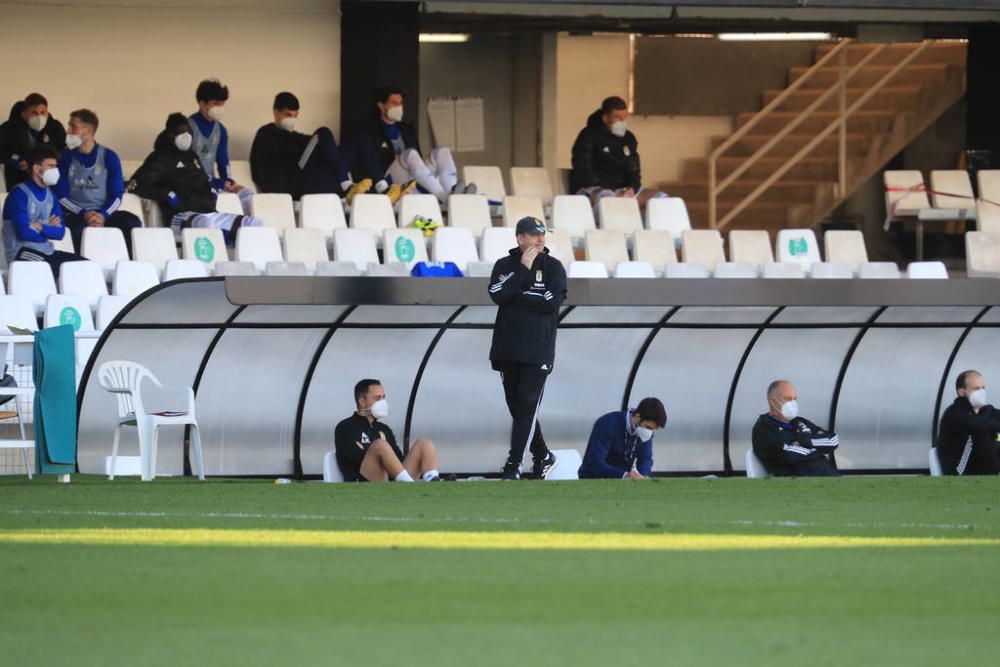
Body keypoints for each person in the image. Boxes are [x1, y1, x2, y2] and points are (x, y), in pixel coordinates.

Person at [488, 216, 567, 480]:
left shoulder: (554, 267)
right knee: (517, 407)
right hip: (507, 349)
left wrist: (518, 294)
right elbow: (498, 294)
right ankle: (543, 454)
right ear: (520, 238)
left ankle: (513, 465)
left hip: (537, 352)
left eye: (543, 235)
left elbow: (551, 302)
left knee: (526, 408)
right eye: (534, 235)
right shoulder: (505, 265)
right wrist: (523, 271)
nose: (540, 239)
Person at [128, 113, 263, 244]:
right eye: (180, 133)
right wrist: (167, 194)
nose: (186, 136)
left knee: (253, 224)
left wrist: (212, 192)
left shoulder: (192, 156)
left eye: (187, 132)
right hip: (181, 215)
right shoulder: (159, 158)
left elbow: (204, 178)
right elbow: (136, 185)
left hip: (209, 212)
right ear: (170, 135)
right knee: (205, 224)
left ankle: (236, 257)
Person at [346, 85, 474, 204]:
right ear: (381, 106)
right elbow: (370, 162)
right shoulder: (370, 130)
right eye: (394, 103)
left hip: (411, 178)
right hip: (388, 181)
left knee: (442, 152)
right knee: (410, 153)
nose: (399, 107)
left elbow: (418, 160)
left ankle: (452, 192)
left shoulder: (407, 130)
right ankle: (444, 197)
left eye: (400, 103)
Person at [249, 91, 368, 201]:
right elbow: (290, 150)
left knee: (360, 139)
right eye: (287, 115)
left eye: (294, 116)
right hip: (291, 185)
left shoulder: (293, 135)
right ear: (276, 112)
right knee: (323, 132)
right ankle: (346, 186)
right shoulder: (266, 133)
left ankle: (381, 187)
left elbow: (306, 142)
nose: (291, 119)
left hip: (307, 179)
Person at [55, 109, 141, 253]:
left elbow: (117, 194)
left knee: (132, 222)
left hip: (104, 212)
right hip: (76, 214)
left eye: (73, 127)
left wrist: (103, 215)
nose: (68, 131)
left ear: (87, 131)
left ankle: (128, 266)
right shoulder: (64, 157)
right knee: (75, 229)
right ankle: (81, 266)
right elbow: (60, 196)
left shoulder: (109, 157)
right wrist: (84, 214)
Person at [570, 96, 667, 211]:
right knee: (609, 199)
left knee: (661, 199)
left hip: (623, 190)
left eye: (624, 118)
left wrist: (631, 188)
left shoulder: (629, 138)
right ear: (605, 118)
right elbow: (583, 169)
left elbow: (634, 171)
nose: (622, 122)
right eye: (617, 118)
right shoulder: (588, 135)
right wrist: (610, 191)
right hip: (594, 190)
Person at [334, 378, 441, 482]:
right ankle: (410, 486)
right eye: (378, 398)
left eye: (383, 397)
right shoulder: (345, 427)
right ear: (362, 401)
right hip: (363, 482)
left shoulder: (384, 429)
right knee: (380, 445)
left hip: (392, 480)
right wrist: (379, 452)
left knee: (424, 443)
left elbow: (399, 461)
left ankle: (432, 481)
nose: (383, 402)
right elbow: (355, 460)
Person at [2, 144, 85, 276]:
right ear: (36, 169)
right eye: (51, 166)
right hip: (22, 253)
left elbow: (60, 233)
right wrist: (48, 229)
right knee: (59, 271)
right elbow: (24, 233)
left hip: (47, 251)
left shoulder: (51, 195)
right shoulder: (19, 194)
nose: (55, 170)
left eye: (56, 166)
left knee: (87, 266)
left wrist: (40, 226)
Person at [751, 380, 840, 477]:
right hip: (798, 485)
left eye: (794, 399)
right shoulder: (763, 428)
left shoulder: (799, 422)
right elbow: (788, 454)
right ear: (773, 402)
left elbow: (833, 440)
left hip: (831, 479)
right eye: (787, 399)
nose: (792, 403)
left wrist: (805, 441)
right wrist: (817, 448)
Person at [189, 79, 253, 209]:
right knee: (224, 202)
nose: (220, 108)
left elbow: (223, 161)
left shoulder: (221, 130)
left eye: (222, 104)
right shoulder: (187, 127)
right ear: (202, 103)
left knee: (248, 196)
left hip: (212, 183)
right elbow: (187, 166)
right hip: (192, 183)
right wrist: (217, 182)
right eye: (215, 103)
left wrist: (228, 181)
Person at [579, 398, 667, 480]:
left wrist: (643, 477)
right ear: (637, 416)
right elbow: (595, 463)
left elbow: (645, 459)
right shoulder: (607, 424)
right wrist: (625, 475)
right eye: (648, 427)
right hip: (592, 480)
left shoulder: (645, 433)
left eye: (653, 429)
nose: (649, 432)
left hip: (622, 482)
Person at [936, 370, 1000, 475]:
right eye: (976, 389)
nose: (981, 392)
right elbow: (981, 425)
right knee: (980, 433)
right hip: (959, 472)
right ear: (962, 392)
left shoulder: (985, 411)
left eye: (983, 388)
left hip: (980, 469)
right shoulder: (954, 413)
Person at [1, 93, 67, 191]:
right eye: (34, 113)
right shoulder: (8, 129)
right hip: (18, 181)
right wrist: (17, 160)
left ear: (47, 113)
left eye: (42, 112)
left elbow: (63, 151)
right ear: (24, 114)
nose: (39, 117)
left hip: (49, 182)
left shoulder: (55, 128)